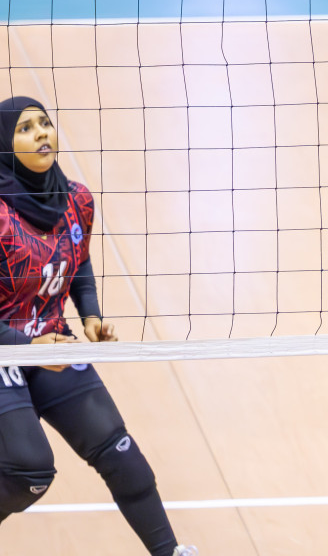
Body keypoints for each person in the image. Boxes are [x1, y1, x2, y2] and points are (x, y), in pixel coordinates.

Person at [0, 98, 196, 555]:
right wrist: (26, 345)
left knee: (117, 447)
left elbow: (78, 259)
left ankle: (169, 552)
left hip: (51, 345)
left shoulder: (75, 199)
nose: (42, 133)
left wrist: (90, 315)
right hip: (5, 347)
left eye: (45, 123)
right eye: (26, 128)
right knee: (31, 472)